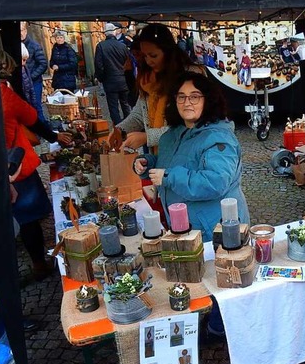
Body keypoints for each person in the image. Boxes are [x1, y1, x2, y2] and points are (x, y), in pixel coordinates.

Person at [133, 72, 250, 341]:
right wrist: (146, 166)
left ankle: (220, 328)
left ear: (207, 101)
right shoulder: (171, 135)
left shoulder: (218, 138)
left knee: (222, 277)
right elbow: (168, 164)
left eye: (195, 96)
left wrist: (169, 177)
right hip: (186, 225)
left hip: (218, 226)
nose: (187, 102)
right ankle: (207, 314)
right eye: (181, 97)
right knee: (198, 274)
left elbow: (216, 181)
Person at [0, 50, 72, 281]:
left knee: (16, 217)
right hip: (16, 166)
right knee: (30, 216)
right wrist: (55, 137)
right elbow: (31, 118)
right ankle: (40, 263)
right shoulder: (3, 95)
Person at [110, 23, 202, 152]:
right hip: (159, 155)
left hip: (186, 154)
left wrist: (147, 137)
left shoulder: (191, 76)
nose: (148, 61)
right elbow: (139, 115)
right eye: (144, 56)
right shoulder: (148, 79)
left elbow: (190, 123)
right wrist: (120, 130)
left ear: (168, 51)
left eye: (153, 56)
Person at [94, 23, 132, 125]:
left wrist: (101, 78)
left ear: (105, 34)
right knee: (125, 104)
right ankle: (129, 126)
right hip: (123, 79)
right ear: (114, 32)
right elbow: (128, 63)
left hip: (110, 81)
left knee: (113, 107)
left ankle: (119, 129)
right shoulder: (122, 46)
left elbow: (98, 65)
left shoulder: (101, 46)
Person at [20, 22, 48, 122]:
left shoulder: (34, 45)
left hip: (34, 82)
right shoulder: (16, 46)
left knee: (36, 107)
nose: (21, 33)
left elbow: (43, 64)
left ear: (26, 31)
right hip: (22, 82)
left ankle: (44, 132)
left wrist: (31, 76)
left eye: (22, 30)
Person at [20, 43, 38, 112]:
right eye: (23, 60)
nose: (23, 63)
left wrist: (34, 106)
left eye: (25, 60)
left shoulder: (25, 68)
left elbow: (31, 88)